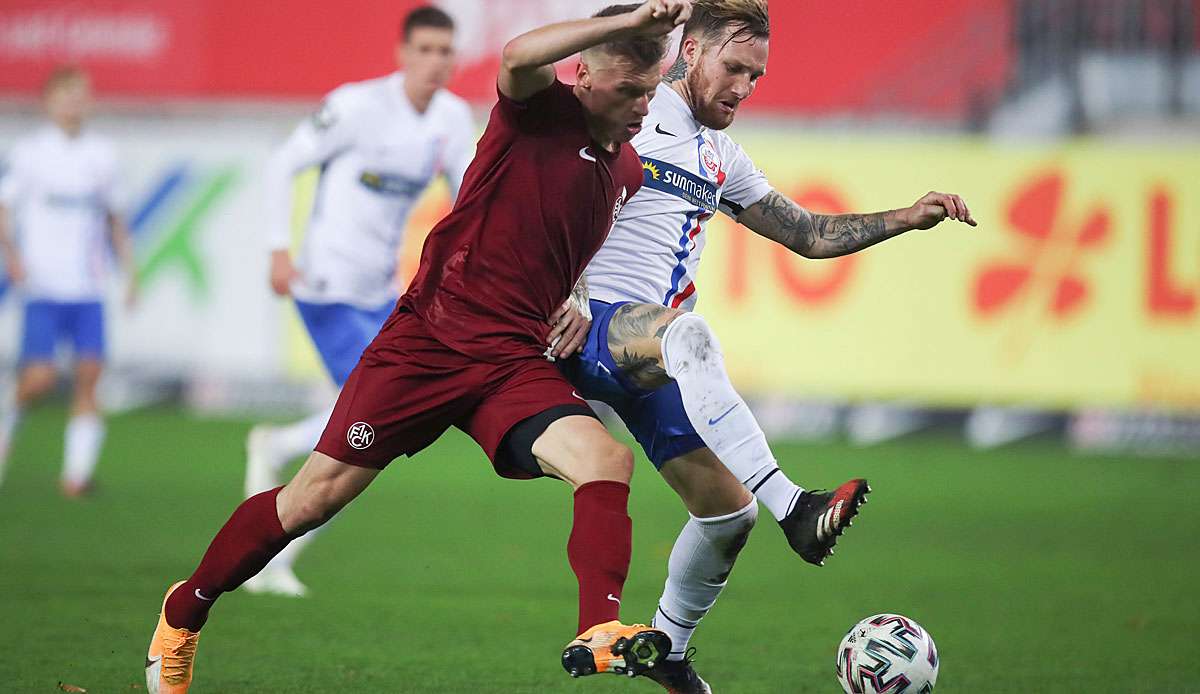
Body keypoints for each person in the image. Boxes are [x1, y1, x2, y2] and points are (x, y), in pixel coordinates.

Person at [144, 3, 694, 692]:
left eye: (649, 91)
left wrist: (579, 294)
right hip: (429, 341)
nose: (642, 105)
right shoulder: (540, 111)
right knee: (311, 501)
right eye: (627, 89)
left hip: (511, 361)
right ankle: (184, 610)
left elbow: (563, 239)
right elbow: (519, 55)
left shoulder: (628, 173)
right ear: (583, 74)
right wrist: (627, 19)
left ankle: (599, 629)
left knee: (605, 460)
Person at [564, 1, 978, 690]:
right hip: (589, 328)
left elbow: (809, 236)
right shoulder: (633, 116)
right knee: (690, 333)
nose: (744, 87)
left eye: (756, 76)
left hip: (648, 352)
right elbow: (557, 195)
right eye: (734, 67)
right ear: (690, 52)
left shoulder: (719, 156)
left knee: (728, 512)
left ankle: (666, 646)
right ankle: (797, 507)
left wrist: (908, 217)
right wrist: (569, 289)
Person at [243, 5, 476, 599]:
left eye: (444, 51)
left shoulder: (451, 119)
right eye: (423, 50)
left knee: (373, 426)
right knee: (373, 421)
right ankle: (273, 559)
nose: (434, 62)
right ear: (401, 53)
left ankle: (278, 447)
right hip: (325, 285)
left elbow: (470, 201)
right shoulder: (355, 106)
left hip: (379, 294)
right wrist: (277, 248)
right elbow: (281, 164)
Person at [0, 66, 136, 497]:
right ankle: (8, 414)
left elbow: (115, 218)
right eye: (66, 95)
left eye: (81, 95)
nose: (75, 102)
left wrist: (131, 273)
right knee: (39, 378)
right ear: (49, 101)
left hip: (88, 286)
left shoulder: (102, 154)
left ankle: (76, 476)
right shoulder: (31, 152)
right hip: (43, 284)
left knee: (90, 373)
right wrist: (14, 259)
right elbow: (5, 208)